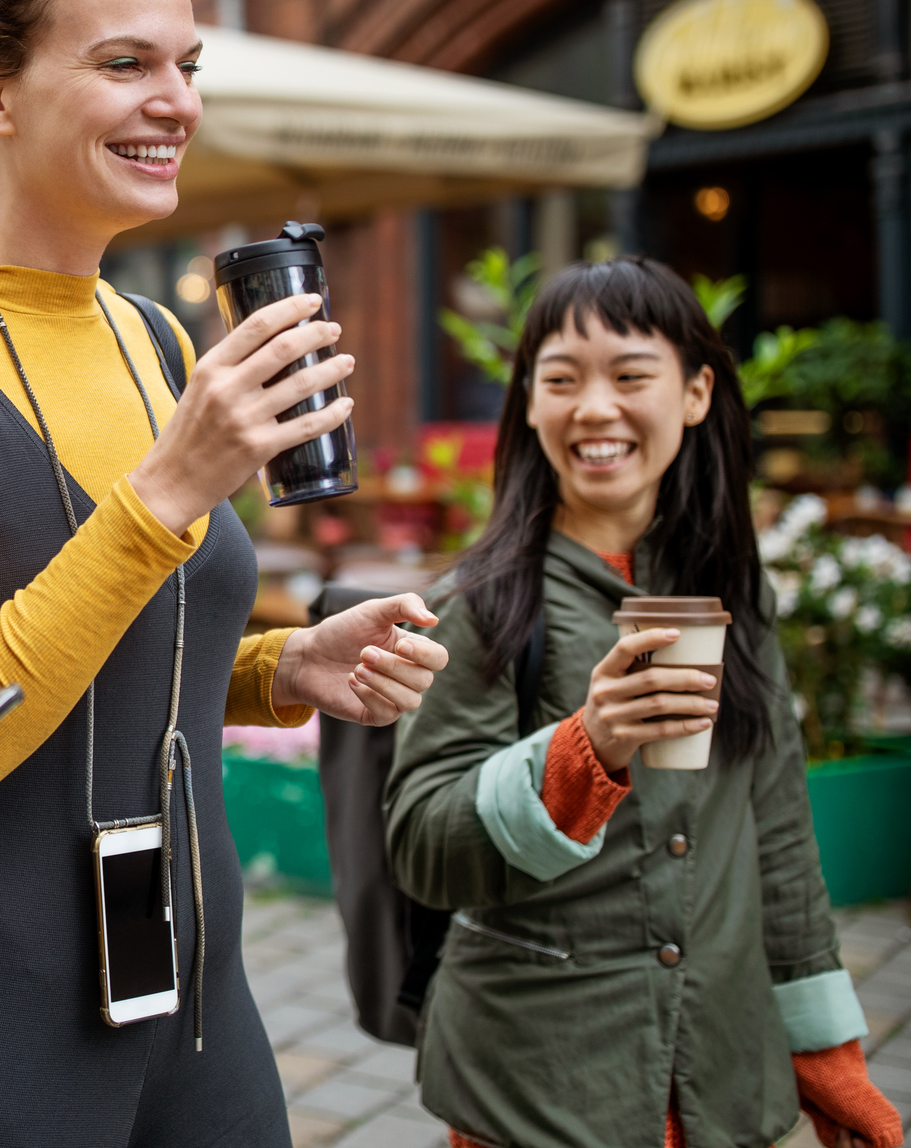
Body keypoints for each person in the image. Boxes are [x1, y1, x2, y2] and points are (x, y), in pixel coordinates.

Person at [0, 0, 449, 1148]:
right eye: (124, 65)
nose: (177, 102)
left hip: (201, 1002)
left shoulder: (153, 335)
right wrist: (165, 494)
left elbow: (130, 654)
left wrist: (278, 667)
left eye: (186, 65)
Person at [385, 258, 903, 1148]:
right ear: (530, 404)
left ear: (696, 393)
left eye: (630, 375)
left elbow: (775, 829)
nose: (594, 408)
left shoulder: (734, 587)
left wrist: (828, 1054)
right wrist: (583, 748)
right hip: (536, 1086)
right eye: (560, 380)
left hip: (719, 1070)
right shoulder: (479, 603)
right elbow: (421, 846)